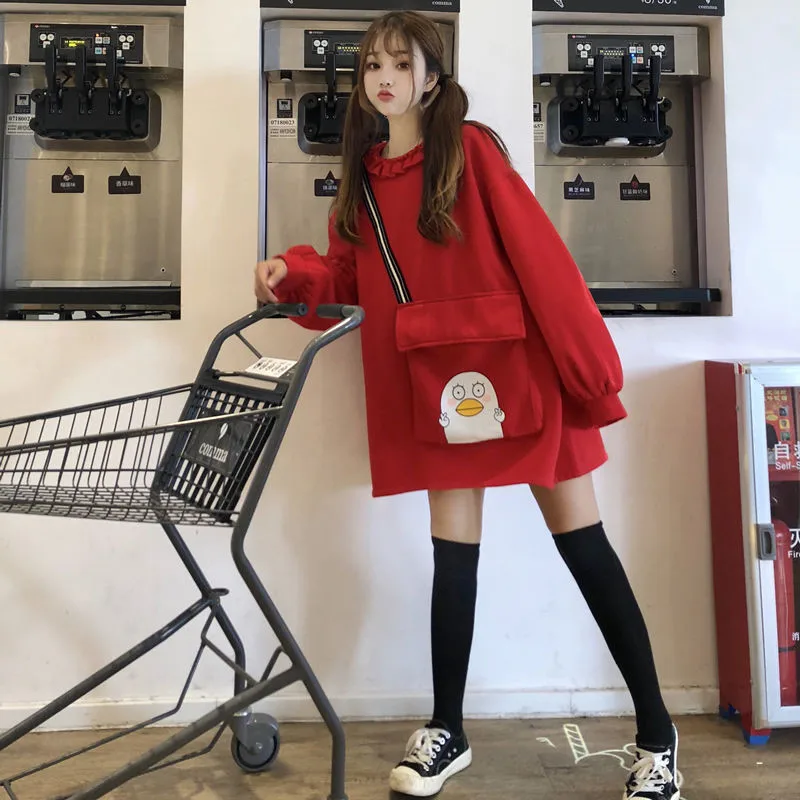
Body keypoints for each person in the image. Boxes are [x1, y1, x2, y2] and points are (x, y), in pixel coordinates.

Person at [254, 10, 680, 800]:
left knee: (586, 551)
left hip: (523, 375)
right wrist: (294, 273)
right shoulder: (365, 175)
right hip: (440, 387)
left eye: (400, 63)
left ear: (431, 77)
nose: (384, 78)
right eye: (372, 65)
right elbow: (350, 277)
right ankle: (447, 728)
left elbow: (542, 260)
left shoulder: (471, 150)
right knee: (453, 558)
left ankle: (658, 736)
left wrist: (589, 374)